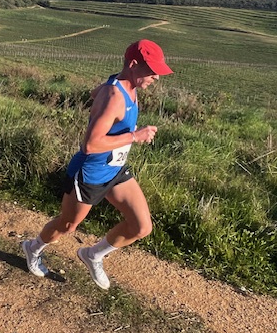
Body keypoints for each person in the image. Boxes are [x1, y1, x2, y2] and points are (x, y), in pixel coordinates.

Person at [22, 39, 173, 289]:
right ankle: (33, 247)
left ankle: (93, 255)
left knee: (141, 226)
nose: (156, 77)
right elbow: (90, 145)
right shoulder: (115, 95)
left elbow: (96, 93)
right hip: (90, 173)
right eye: (152, 70)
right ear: (134, 64)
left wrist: (101, 93)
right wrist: (136, 136)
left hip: (114, 169)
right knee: (68, 225)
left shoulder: (124, 86)